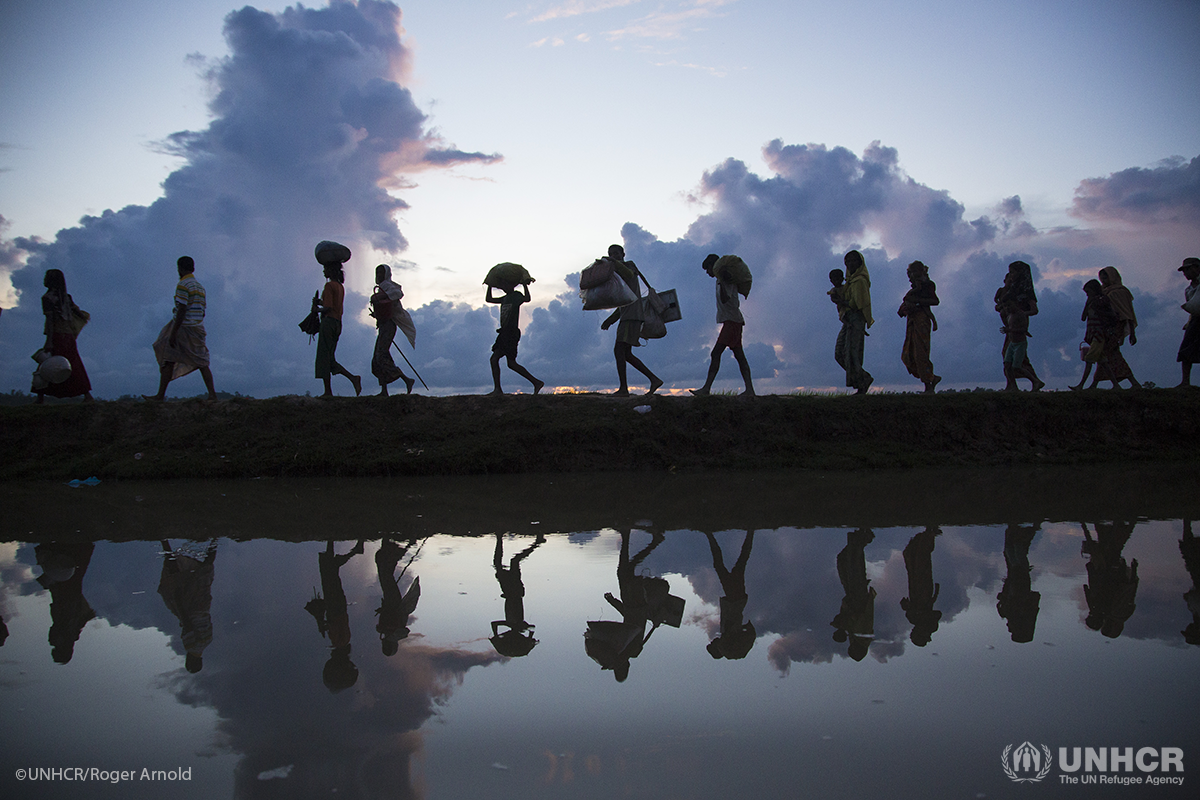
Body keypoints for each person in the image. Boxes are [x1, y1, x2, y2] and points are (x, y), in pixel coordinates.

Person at [145, 256, 217, 402]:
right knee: (202, 362)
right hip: (197, 328)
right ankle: (212, 395)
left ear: (180, 268)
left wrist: (173, 332)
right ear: (193, 268)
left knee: (168, 357)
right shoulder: (200, 287)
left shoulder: (183, 285)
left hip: (184, 328)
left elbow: (182, 309)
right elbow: (203, 311)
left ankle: (160, 396)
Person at [599, 244, 663, 396]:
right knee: (625, 353)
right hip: (628, 316)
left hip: (632, 316)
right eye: (611, 254)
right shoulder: (618, 276)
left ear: (623, 254)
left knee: (619, 350)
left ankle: (624, 389)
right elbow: (623, 303)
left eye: (616, 253)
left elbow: (628, 274)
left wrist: (613, 263)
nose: (614, 256)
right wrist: (611, 319)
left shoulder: (629, 266)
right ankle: (653, 379)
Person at [691, 254, 754, 396]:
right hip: (732, 321)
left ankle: (706, 389)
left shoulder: (725, 280)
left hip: (732, 322)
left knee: (716, 353)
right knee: (739, 356)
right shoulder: (721, 280)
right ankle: (750, 389)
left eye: (707, 269)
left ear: (713, 266)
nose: (707, 273)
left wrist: (722, 282)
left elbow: (726, 299)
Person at [158, 539, 218, 673]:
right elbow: (187, 624)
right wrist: (178, 601)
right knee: (174, 576)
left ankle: (215, 541)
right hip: (191, 608)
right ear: (190, 660)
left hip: (203, 606)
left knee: (205, 573)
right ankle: (164, 541)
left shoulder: (208, 640)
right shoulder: (190, 646)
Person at [35, 269, 93, 403]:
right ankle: (87, 395)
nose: (44, 280)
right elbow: (79, 314)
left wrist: (48, 341)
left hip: (56, 336)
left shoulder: (47, 298)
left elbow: (50, 321)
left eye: (46, 277)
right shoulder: (66, 298)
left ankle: (40, 397)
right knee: (73, 365)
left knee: (47, 364)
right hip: (68, 337)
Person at [315, 258, 362, 398]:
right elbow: (333, 305)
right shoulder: (339, 286)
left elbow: (328, 308)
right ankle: (353, 379)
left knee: (324, 357)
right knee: (330, 358)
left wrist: (316, 310)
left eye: (326, 268)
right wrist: (320, 303)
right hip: (337, 323)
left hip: (328, 323)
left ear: (331, 270)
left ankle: (328, 392)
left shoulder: (329, 286)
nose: (324, 271)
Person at [487, 281, 544, 395]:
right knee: (496, 360)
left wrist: (524, 285)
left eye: (505, 285)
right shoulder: (504, 298)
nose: (503, 287)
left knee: (509, 363)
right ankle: (498, 389)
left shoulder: (516, 296)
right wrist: (489, 285)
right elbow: (489, 299)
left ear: (511, 285)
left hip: (511, 333)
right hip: (503, 333)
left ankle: (536, 382)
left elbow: (527, 298)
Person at [994, 261, 1044, 392]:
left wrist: (1021, 313)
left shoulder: (1026, 292)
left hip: (1018, 328)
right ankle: (1013, 385)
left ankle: (1032, 381)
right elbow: (1003, 303)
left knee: (1015, 357)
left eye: (1014, 272)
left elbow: (1034, 310)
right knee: (1008, 356)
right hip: (1010, 326)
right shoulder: (1011, 290)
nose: (1011, 275)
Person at [369, 264, 416, 396]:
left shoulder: (388, 286)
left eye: (380, 273)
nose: (378, 276)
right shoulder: (382, 288)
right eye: (376, 273)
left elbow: (398, 293)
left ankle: (403, 377)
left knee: (381, 355)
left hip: (389, 325)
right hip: (384, 325)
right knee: (378, 358)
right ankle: (385, 390)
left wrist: (380, 298)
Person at [1069, 279, 1123, 390]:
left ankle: (1081, 385)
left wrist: (1098, 310)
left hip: (1100, 334)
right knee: (1103, 362)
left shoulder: (1103, 300)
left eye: (1088, 292)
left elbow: (1112, 315)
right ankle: (1116, 385)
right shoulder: (1091, 302)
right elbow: (1083, 318)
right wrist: (1088, 303)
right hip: (1093, 334)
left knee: (1089, 359)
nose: (1087, 295)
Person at [897, 260, 941, 393]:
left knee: (921, 353)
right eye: (909, 273)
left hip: (922, 321)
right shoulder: (913, 290)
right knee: (908, 356)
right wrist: (904, 309)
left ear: (921, 271)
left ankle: (928, 383)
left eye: (913, 272)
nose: (911, 276)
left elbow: (935, 301)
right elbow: (904, 305)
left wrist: (917, 302)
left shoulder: (928, 285)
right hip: (912, 322)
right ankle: (930, 378)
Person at [1094, 266, 1141, 388]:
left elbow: (1127, 313)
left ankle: (1131, 382)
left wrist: (1132, 333)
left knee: (1108, 353)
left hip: (1116, 327)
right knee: (1106, 354)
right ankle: (1125, 383)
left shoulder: (1120, 292)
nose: (1103, 279)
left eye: (1106, 276)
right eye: (1102, 277)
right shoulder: (1103, 292)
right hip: (1105, 327)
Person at [836, 250, 873, 394]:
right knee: (840, 353)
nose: (850, 264)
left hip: (856, 319)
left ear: (860, 263)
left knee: (852, 352)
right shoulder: (850, 282)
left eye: (853, 261)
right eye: (848, 261)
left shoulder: (860, 281)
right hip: (847, 319)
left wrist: (842, 301)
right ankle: (863, 377)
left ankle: (862, 384)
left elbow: (859, 303)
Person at [1177, 257, 1200, 387]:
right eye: (1184, 270)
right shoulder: (1188, 289)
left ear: (1197, 268)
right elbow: (1193, 307)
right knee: (1186, 350)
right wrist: (1189, 322)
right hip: (1195, 320)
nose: (1185, 273)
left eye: (1188, 269)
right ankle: (1185, 382)